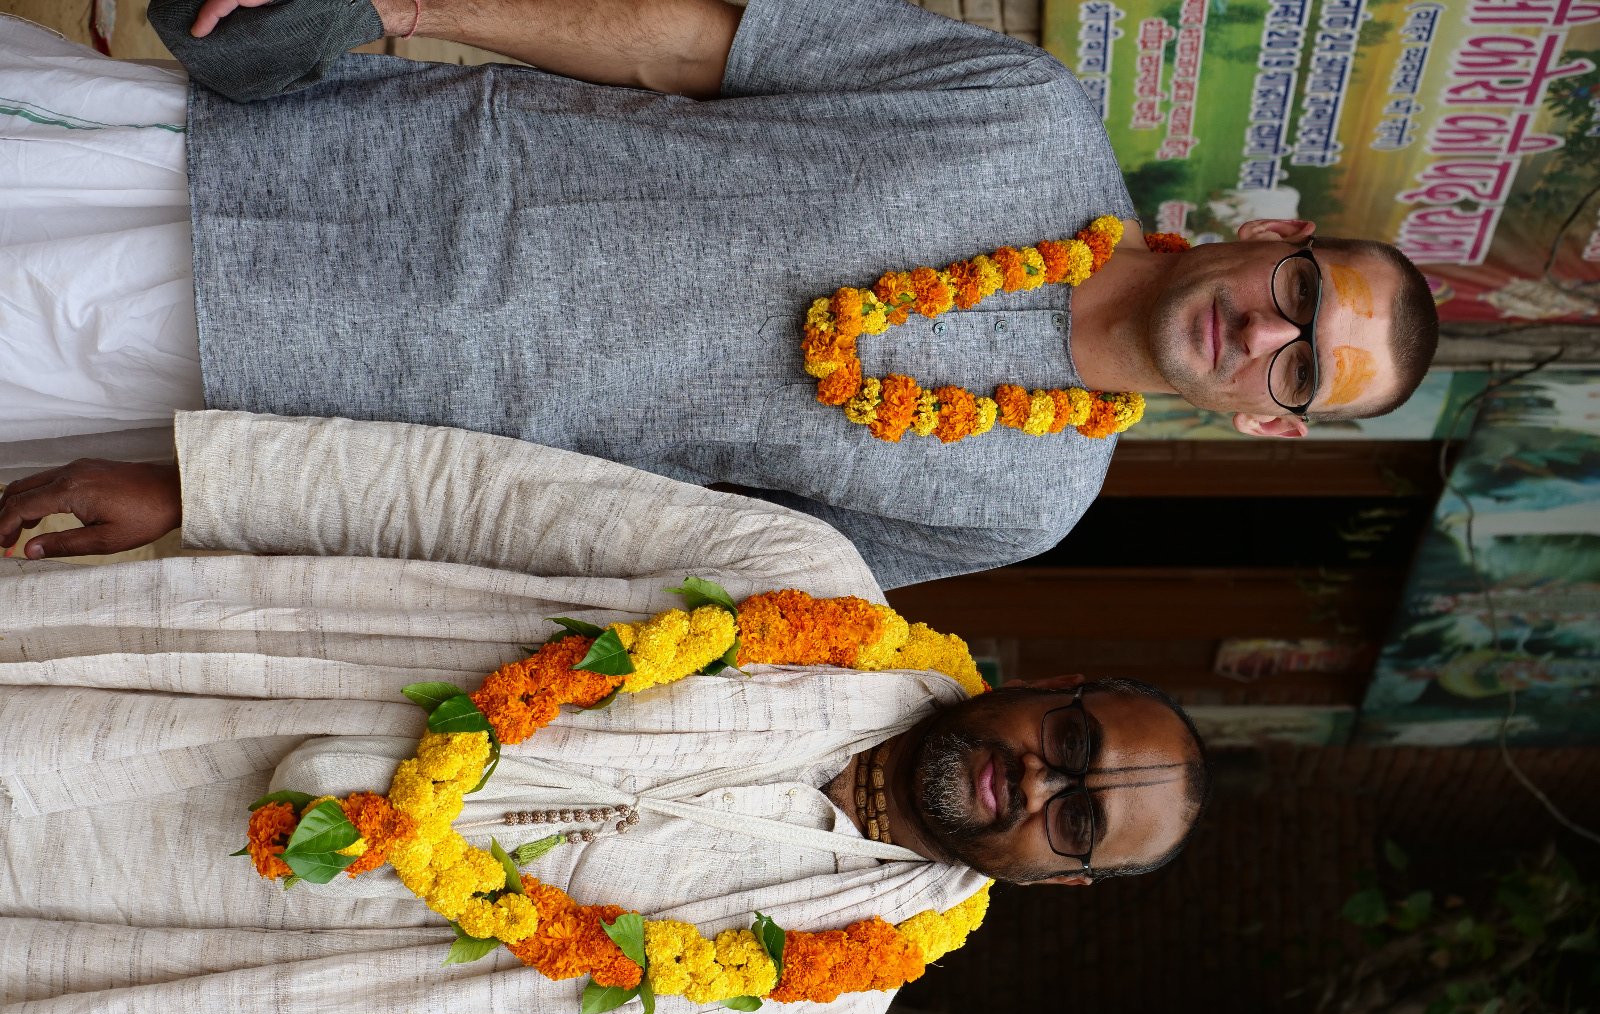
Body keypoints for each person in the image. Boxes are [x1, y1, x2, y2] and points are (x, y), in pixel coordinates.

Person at [0, 410, 1210, 1014]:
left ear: (1059, 882)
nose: (1043, 781)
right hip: (204, 699)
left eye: (1077, 818)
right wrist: (198, 490)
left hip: (197, 964)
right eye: (1070, 740)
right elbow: (483, 498)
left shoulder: (821, 1005)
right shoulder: (807, 588)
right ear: (1052, 686)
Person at [0, 0, 1439, 585]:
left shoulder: (1022, 505)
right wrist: (396, 4)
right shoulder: (1027, 113)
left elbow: (622, 551)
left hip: (275, 391)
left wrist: (212, 498)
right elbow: (690, 46)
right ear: (1277, 236)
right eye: (1302, 291)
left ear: (1273, 427)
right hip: (292, 166)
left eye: (1302, 368)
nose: (1268, 332)